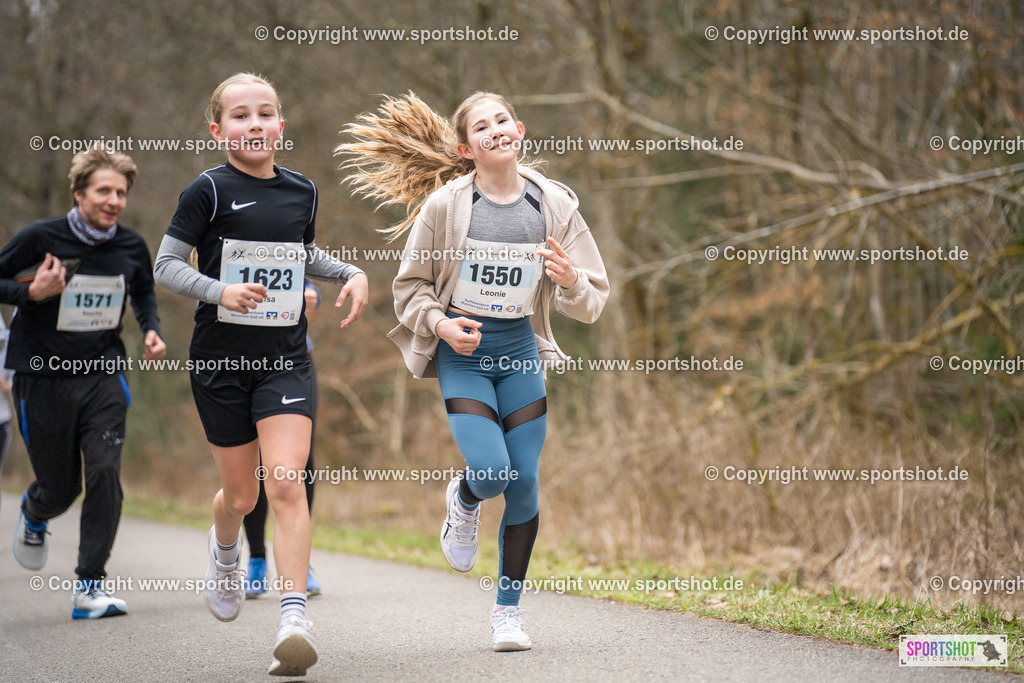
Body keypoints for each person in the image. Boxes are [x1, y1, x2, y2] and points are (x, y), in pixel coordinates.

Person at [338, 92, 608, 651]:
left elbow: (593, 298)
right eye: (481, 127)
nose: (496, 130)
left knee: (526, 483)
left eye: (503, 120)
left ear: (521, 130)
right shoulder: (447, 207)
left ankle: (507, 612)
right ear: (467, 148)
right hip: (463, 355)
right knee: (492, 473)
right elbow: (408, 288)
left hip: (518, 354)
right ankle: (463, 500)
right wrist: (439, 325)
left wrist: (569, 281)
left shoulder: (553, 204)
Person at [154, 72, 368, 677]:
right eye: (241, 116)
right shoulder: (208, 191)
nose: (254, 124)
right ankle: (225, 551)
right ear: (218, 129)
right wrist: (220, 291)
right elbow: (166, 265)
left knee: (284, 484)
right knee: (242, 495)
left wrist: (347, 271)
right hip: (221, 362)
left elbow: (301, 255)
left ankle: (293, 617)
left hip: (284, 359)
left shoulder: (302, 190)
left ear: (281, 126)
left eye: (265, 114)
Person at [0, 146, 166, 619]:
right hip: (42, 378)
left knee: (105, 472)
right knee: (61, 487)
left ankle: (89, 586)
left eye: (121, 192)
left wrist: (150, 329)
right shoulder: (40, 237)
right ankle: (35, 512)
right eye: (103, 191)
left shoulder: (131, 245)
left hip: (102, 375)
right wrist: (29, 292)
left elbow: (143, 291)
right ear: (79, 194)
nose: (113, 200)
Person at [244, 279, 323, 598]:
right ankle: (257, 558)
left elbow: (307, 272)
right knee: (258, 463)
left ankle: (299, 560)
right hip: (242, 361)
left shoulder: (283, 232)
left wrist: (312, 294)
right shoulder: (219, 241)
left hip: (293, 360)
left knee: (300, 463)